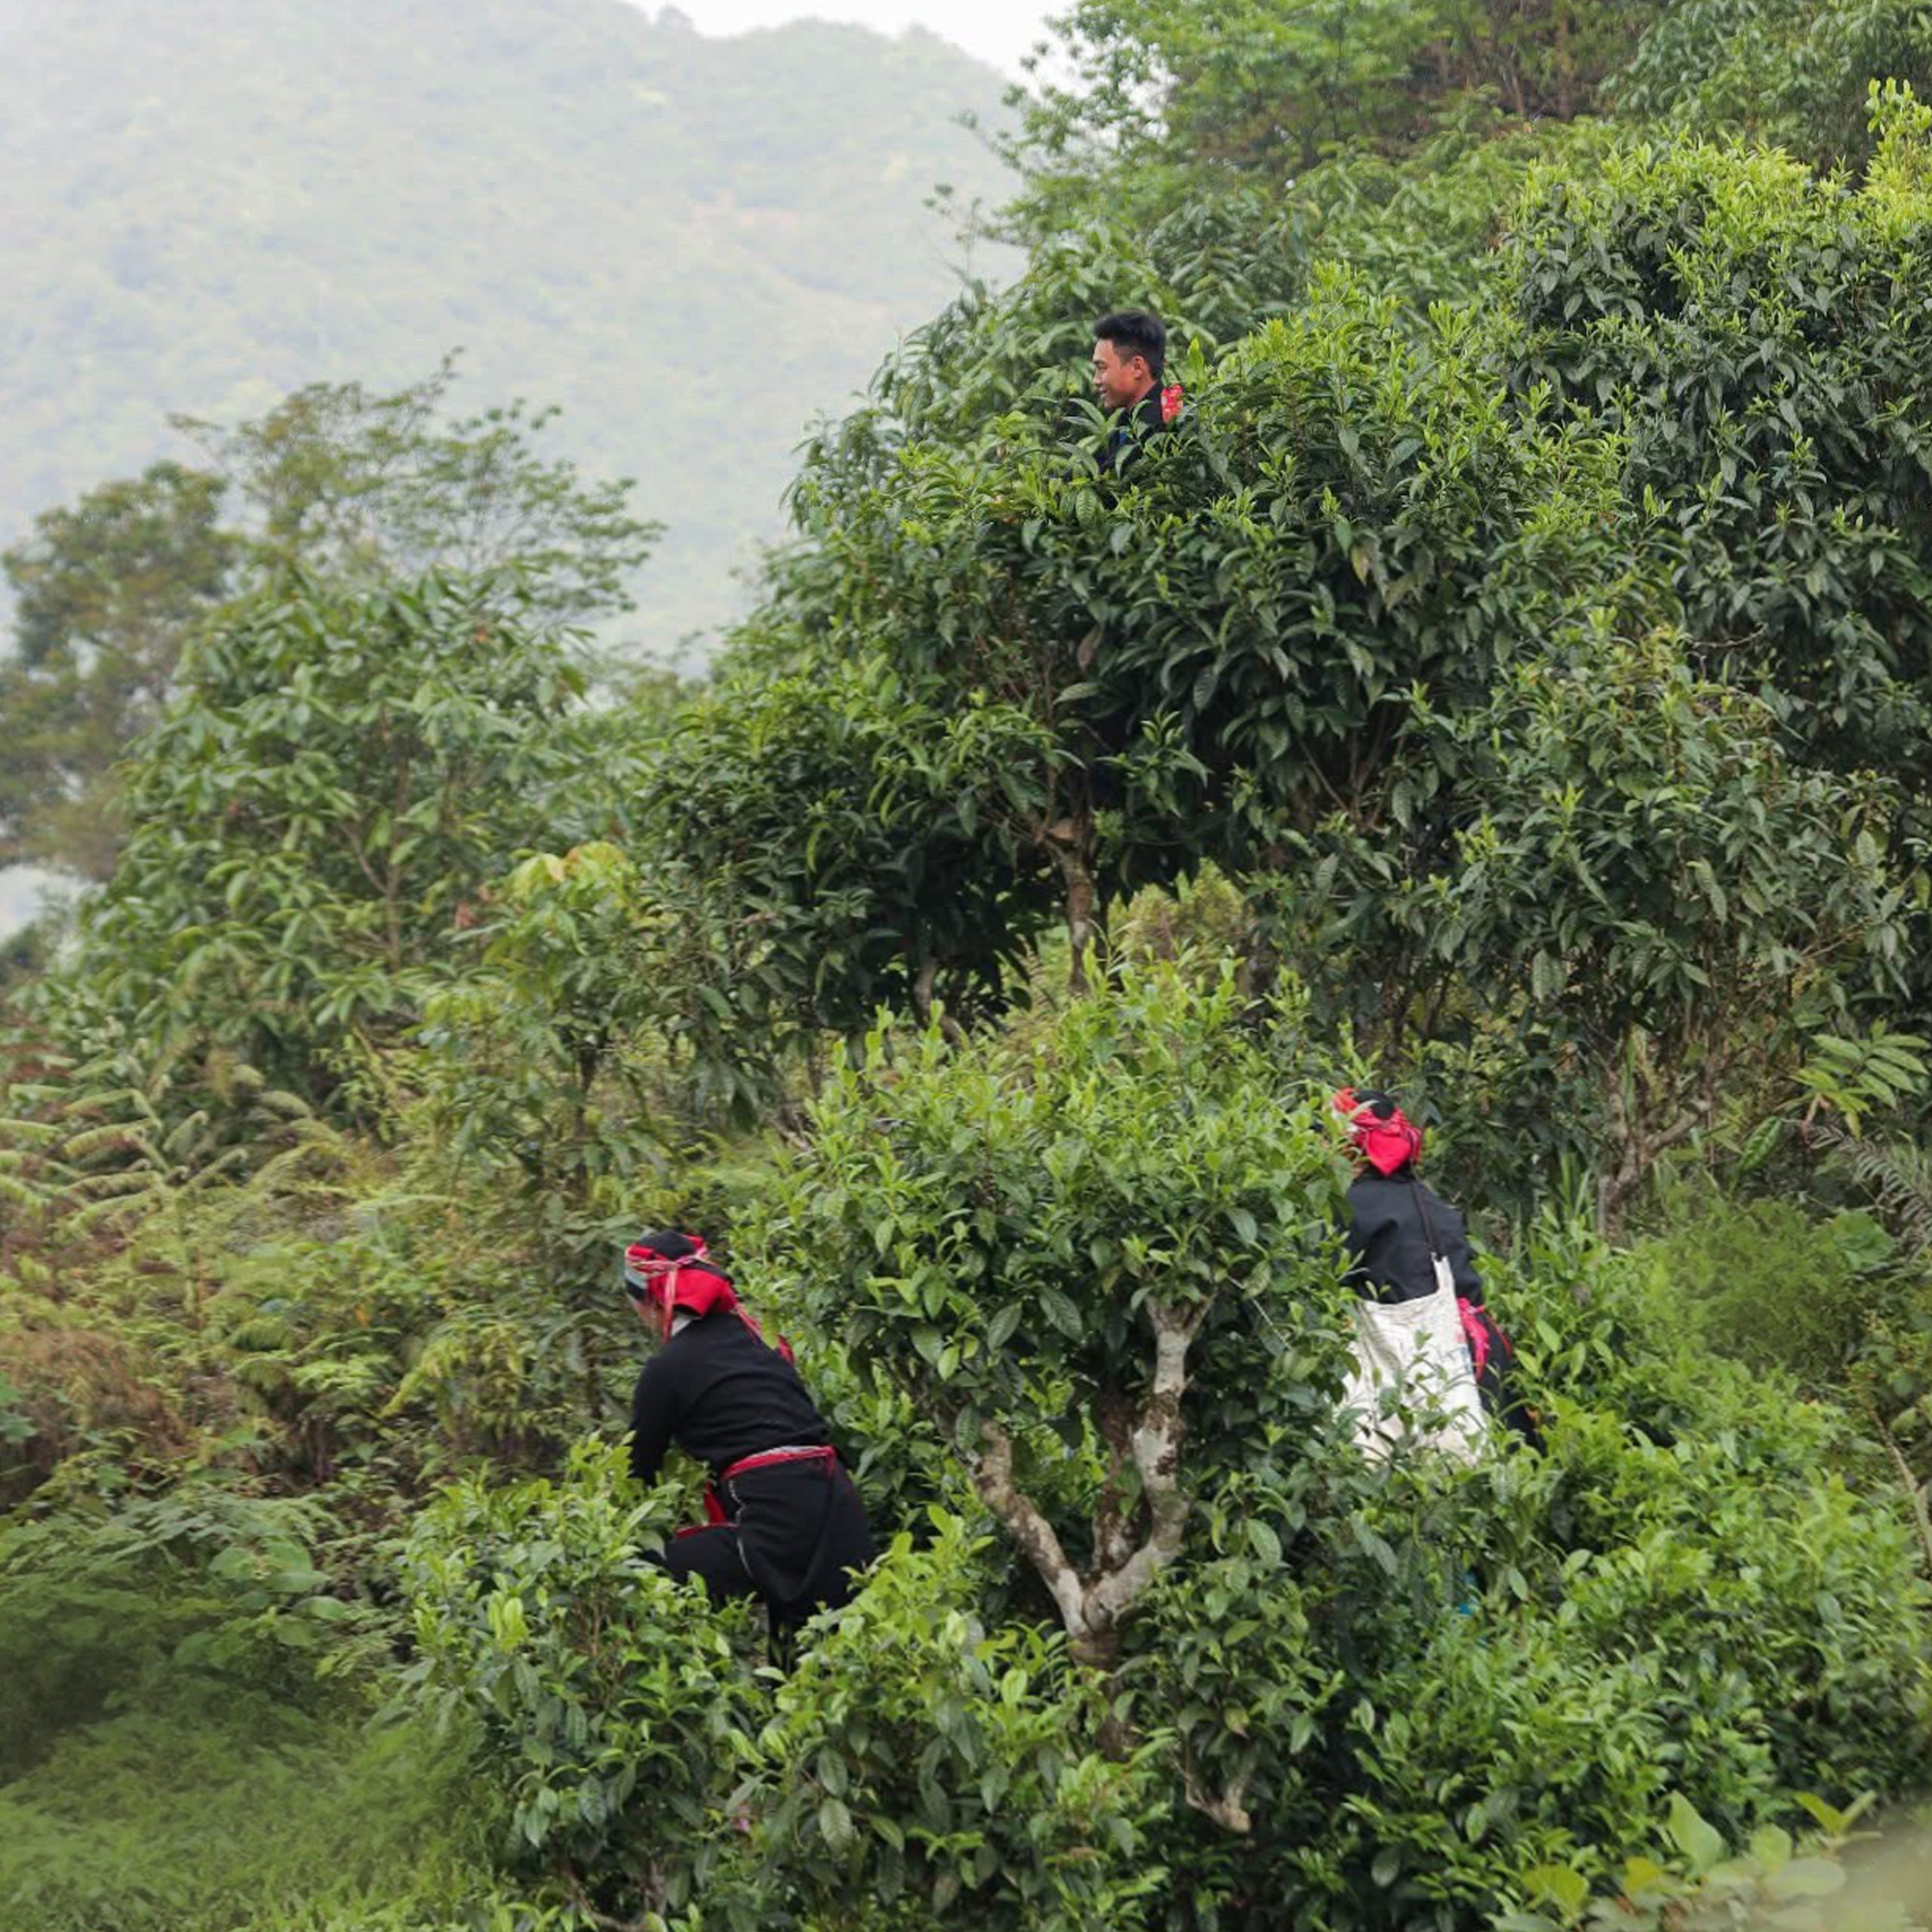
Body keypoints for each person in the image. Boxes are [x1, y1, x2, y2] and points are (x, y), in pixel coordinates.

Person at [623, 1229, 873, 1628]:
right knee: (817, 1652)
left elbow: (636, 1473)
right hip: (838, 1506)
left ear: (649, 1301)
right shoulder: (761, 1339)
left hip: (774, 1515)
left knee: (634, 1567)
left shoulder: (667, 1368)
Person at [1332, 1089, 1534, 1458]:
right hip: (1476, 1355)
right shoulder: (1434, 1206)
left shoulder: (1352, 1208)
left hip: (1402, 1356)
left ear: (1350, 1144)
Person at [1091, 308, 1183, 474]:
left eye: (1102, 368)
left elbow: (1105, 480)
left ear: (1137, 367)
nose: (1096, 380)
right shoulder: (1126, 421)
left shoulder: (1163, 423)